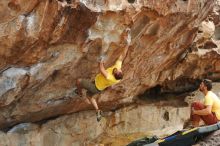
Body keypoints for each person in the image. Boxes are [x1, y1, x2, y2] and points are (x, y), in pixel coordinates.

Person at [76, 29, 131, 122]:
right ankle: (98, 111)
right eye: (118, 69)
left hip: (94, 86)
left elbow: (101, 70)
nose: (116, 69)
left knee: (79, 81)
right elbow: (123, 55)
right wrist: (128, 44)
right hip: (99, 89)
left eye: (116, 71)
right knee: (90, 97)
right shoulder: (117, 70)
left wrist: (101, 61)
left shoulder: (110, 77)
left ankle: (78, 92)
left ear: (115, 74)